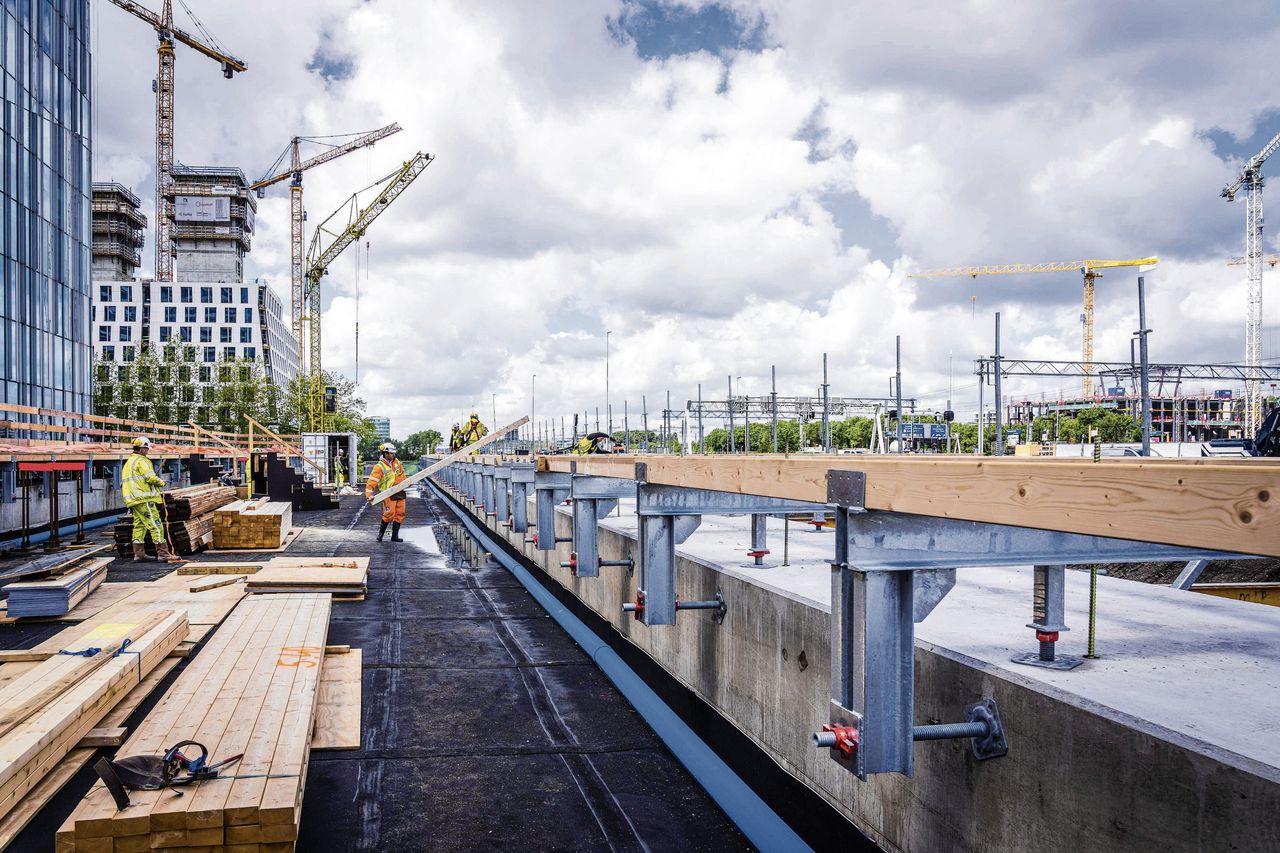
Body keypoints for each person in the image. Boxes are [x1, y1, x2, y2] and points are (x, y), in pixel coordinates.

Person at [122, 436, 174, 562]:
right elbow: (150, 478)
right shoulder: (142, 461)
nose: (147, 451)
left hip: (133, 500)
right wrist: (162, 483)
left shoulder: (129, 462)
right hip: (143, 498)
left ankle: (138, 553)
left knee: (139, 525)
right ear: (141, 449)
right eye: (146, 449)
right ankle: (163, 553)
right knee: (156, 525)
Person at [365, 442, 407, 542]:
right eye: (390, 453)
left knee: (400, 513)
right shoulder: (379, 467)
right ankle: (380, 535)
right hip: (388, 493)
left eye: (393, 453)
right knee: (389, 514)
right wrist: (369, 495)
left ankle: (395, 536)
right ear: (385, 453)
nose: (392, 455)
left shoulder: (397, 463)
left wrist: (407, 482)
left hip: (400, 492)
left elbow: (402, 474)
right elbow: (372, 482)